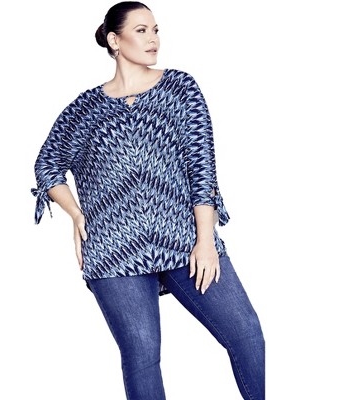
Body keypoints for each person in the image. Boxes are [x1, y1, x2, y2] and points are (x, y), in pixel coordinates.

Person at [31, 1, 265, 399]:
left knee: (247, 334)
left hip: (185, 241)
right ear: (114, 40)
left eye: (156, 30)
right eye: (141, 30)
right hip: (113, 251)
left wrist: (205, 240)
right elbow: (47, 165)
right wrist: (76, 214)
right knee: (141, 358)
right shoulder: (85, 109)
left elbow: (202, 169)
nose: (153, 38)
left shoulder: (180, 88)